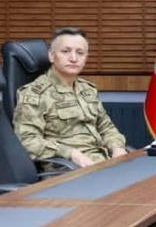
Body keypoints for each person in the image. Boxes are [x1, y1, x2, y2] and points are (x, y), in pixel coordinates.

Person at [13, 27, 127, 168]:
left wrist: (117, 148)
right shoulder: (35, 94)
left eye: (80, 53)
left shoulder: (87, 89)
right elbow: (27, 141)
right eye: (65, 51)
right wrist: (71, 154)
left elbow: (105, 127)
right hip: (66, 169)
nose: (73, 58)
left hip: (101, 162)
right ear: (51, 56)